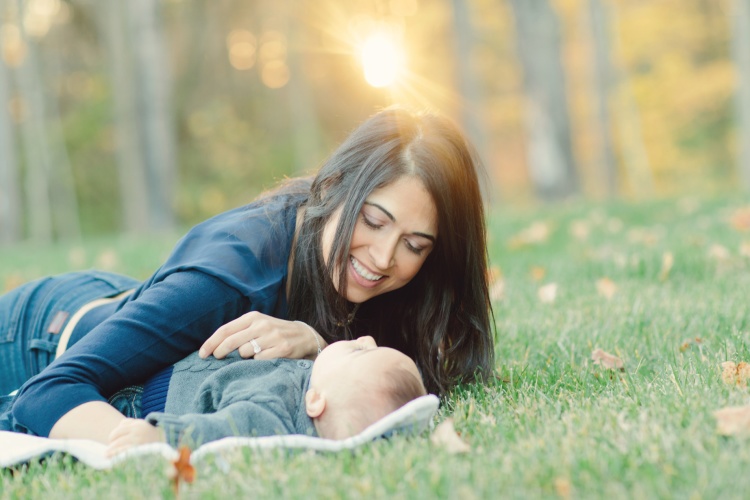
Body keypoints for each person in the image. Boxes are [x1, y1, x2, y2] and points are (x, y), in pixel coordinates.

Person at [0, 106, 494, 444]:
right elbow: (49, 393)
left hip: (117, 301)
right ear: (338, 183)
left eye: (414, 245)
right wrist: (152, 449)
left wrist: (319, 344)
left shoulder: (374, 275)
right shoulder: (230, 282)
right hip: (34, 339)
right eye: (374, 220)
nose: (385, 257)